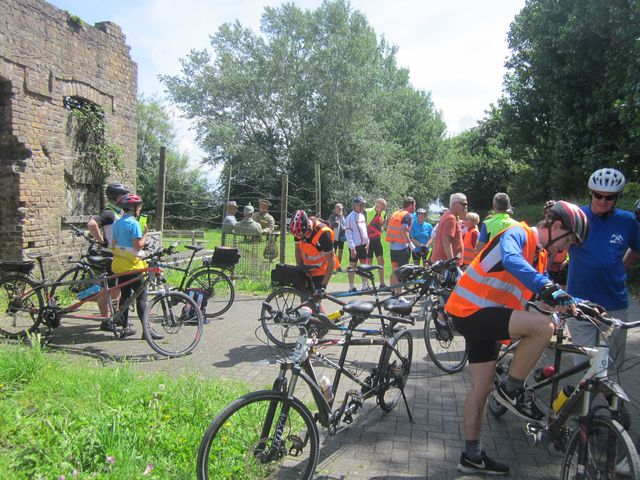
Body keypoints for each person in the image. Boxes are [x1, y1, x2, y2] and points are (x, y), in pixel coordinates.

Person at [445, 201, 589, 475]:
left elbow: (544, 291)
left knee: (481, 388)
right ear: (556, 226)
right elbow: (512, 260)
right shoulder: (518, 233)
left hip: (477, 316)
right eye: (568, 239)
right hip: (472, 312)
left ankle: (471, 455)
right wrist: (546, 287)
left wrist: (581, 303)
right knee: (543, 327)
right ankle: (512, 388)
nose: (566, 248)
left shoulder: (539, 255)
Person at [566, 168, 640, 366]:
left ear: (617, 197)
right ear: (591, 193)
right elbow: (554, 243)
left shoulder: (627, 221)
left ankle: (610, 397)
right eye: (598, 195)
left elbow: (637, 247)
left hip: (614, 301)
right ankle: (581, 397)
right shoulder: (576, 216)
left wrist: (621, 267)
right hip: (580, 302)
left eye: (610, 197)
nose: (603, 201)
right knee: (582, 365)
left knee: (613, 366)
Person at [111, 194, 162, 340]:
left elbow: (114, 245)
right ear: (133, 209)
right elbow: (137, 245)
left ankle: (125, 328)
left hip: (119, 266)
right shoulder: (134, 224)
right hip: (133, 267)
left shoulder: (117, 223)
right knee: (141, 298)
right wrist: (145, 234)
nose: (139, 210)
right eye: (138, 208)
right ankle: (147, 331)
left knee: (125, 295)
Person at [86, 182, 129, 325]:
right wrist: (101, 240)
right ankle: (105, 321)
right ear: (116, 197)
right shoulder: (109, 212)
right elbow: (92, 224)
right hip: (109, 255)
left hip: (117, 254)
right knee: (108, 289)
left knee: (117, 286)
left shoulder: (118, 211)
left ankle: (114, 315)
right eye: (123, 196)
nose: (126, 198)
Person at [289, 210, 338, 305]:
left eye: (304, 235)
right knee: (305, 299)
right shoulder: (298, 231)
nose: (302, 237)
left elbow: (331, 261)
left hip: (322, 268)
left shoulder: (324, 234)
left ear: (308, 227)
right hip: (307, 266)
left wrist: (323, 286)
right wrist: (300, 269)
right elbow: (298, 250)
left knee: (314, 301)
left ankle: (323, 320)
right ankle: (313, 318)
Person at [385, 197, 415, 292]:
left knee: (394, 270)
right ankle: (399, 295)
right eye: (414, 205)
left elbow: (386, 224)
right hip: (402, 248)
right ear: (410, 205)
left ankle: (393, 292)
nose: (415, 208)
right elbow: (403, 230)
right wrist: (410, 243)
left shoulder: (396, 213)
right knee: (401, 272)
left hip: (393, 247)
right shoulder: (407, 215)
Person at [431, 193, 467, 265]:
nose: (465, 207)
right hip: (446, 262)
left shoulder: (447, 215)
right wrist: (452, 262)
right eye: (463, 204)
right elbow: (446, 241)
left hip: (443, 261)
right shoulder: (451, 218)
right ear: (455, 204)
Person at [345, 196, 369, 292]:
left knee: (364, 265)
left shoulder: (362, 215)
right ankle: (351, 287)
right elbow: (348, 234)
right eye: (361, 205)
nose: (363, 206)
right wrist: (352, 248)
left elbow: (365, 230)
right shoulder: (350, 217)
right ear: (355, 206)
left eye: (363, 204)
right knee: (352, 266)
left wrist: (368, 242)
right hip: (355, 246)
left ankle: (364, 286)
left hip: (363, 245)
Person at [543, 200, 569, 285]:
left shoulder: (565, 230)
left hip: (562, 269)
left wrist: (568, 260)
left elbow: (573, 249)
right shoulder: (541, 231)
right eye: (546, 212)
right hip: (546, 270)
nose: (548, 214)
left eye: (551, 212)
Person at [365, 198, 388, 287]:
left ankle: (382, 283)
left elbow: (381, 227)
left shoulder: (382, 213)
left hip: (377, 241)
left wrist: (386, 223)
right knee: (369, 261)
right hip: (368, 241)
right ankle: (367, 283)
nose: (385, 207)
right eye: (384, 205)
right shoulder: (368, 211)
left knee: (381, 261)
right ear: (378, 204)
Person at [328, 203, 347, 270]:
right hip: (334, 237)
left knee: (340, 252)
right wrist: (336, 222)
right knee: (334, 252)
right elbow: (331, 225)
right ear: (335, 209)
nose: (340, 210)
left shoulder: (343, 216)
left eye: (341, 208)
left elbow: (345, 225)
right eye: (339, 208)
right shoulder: (332, 217)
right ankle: (333, 266)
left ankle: (338, 266)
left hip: (341, 236)